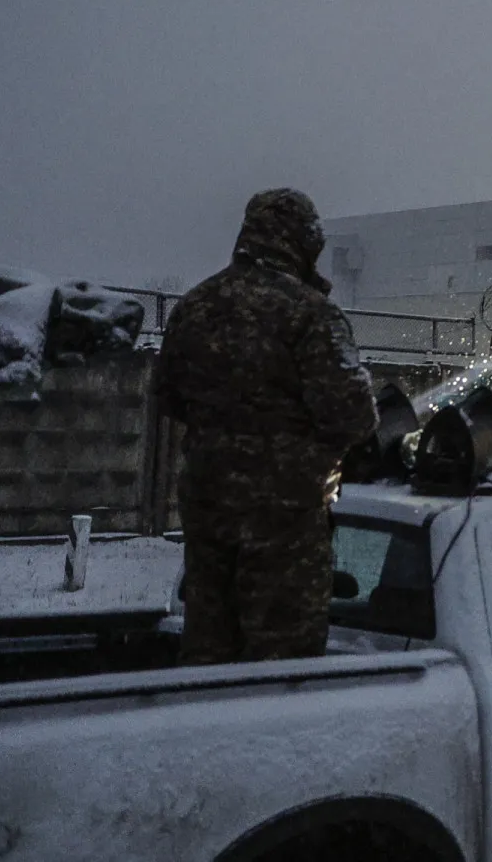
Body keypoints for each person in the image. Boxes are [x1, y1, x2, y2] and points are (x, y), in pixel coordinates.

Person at [155, 188, 376, 664]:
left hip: (207, 504)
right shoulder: (311, 313)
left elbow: (167, 398)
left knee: (209, 644)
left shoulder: (194, 306)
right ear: (302, 242)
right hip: (284, 515)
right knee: (282, 655)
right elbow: (353, 415)